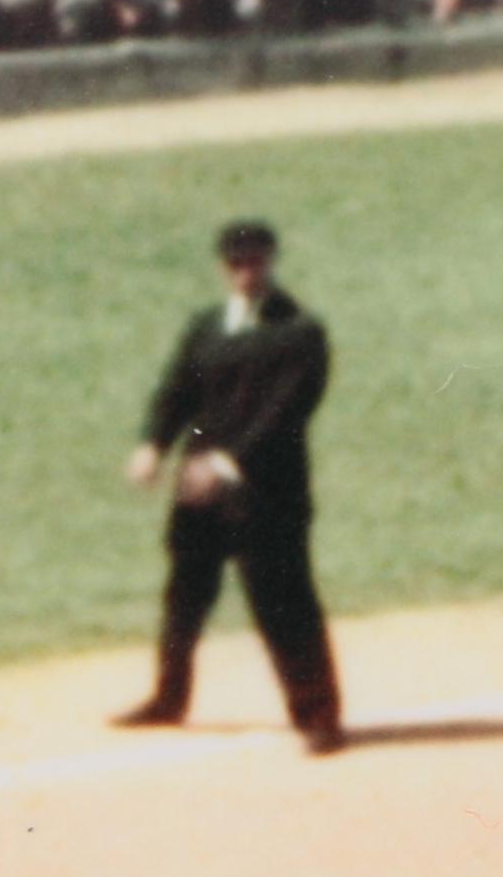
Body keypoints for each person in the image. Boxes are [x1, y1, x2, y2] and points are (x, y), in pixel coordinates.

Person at [115, 215, 345, 755]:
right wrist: (153, 444)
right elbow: (176, 390)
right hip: (199, 492)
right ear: (225, 268)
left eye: (256, 261)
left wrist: (222, 463)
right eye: (237, 263)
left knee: (284, 602)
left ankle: (319, 716)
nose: (247, 272)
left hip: (268, 495)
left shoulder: (300, 333)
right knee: (185, 597)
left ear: (271, 261)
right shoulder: (207, 327)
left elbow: (285, 414)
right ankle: (169, 698)